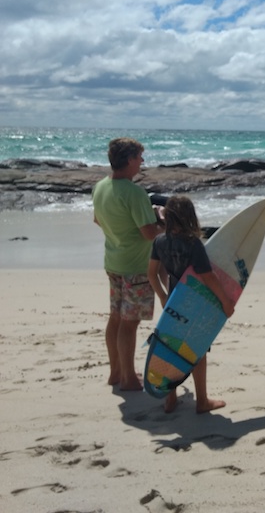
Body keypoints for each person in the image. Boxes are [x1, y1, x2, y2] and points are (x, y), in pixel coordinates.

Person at [148, 195, 234, 414]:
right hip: (196, 303)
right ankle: (202, 401)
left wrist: (163, 296)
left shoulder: (159, 241)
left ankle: (170, 399)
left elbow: (151, 274)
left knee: (171, 345)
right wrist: (225, 302)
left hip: (173, 301)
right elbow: (208, 277)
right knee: (197, 349)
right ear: (190, 217)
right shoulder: (193, 244)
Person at [92, 138, 163, 391]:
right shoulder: (135, 193)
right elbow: (149, 234)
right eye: (139, 157)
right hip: (136, 266)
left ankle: (115, 373)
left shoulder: (101, 186)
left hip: (113, 261)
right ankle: (129, 378)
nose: (142, 161)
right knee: (129, 323)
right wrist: (164, 223)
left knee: (115, 318)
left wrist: (122, 229)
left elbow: (97, 220)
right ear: (129, 160)